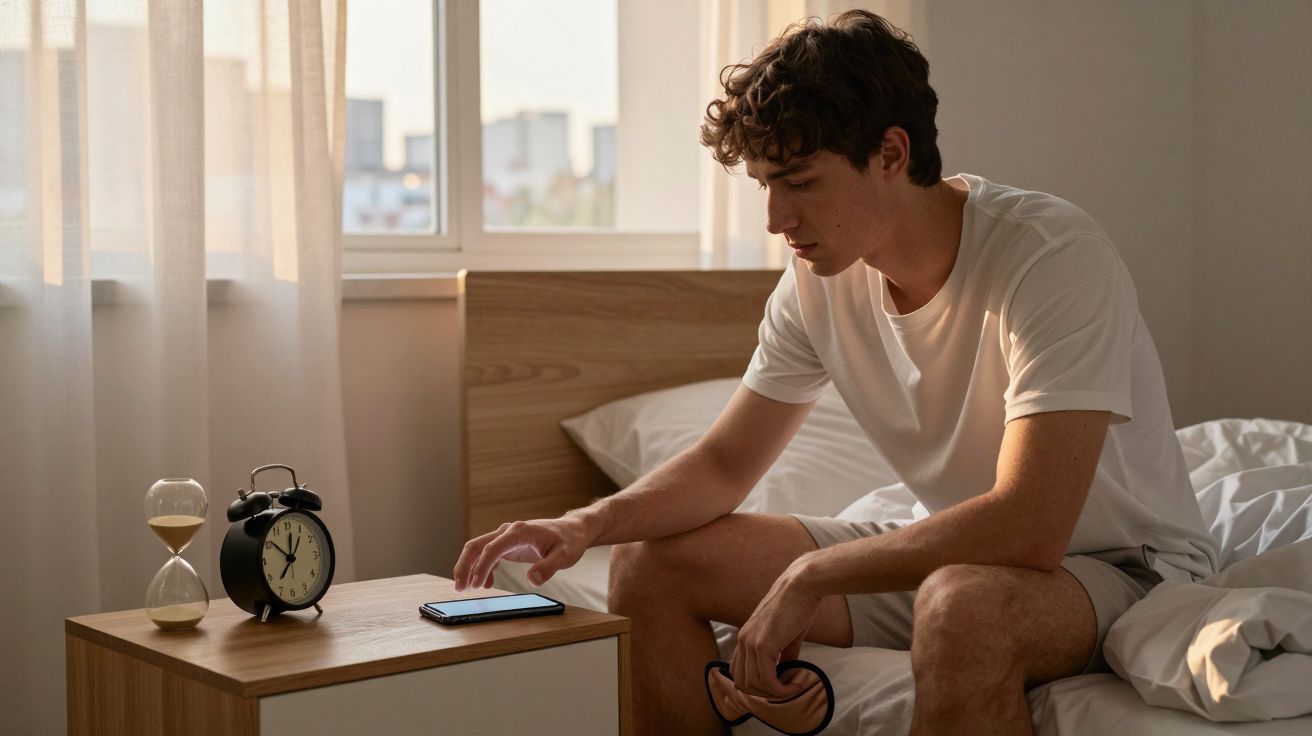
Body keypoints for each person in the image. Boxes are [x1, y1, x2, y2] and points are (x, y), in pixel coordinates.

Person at [453, 9, 1217, 735]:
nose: (775, 219)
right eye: (765, 185)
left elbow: (1029, 526)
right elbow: (723, 465)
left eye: (800, 181)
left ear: (891, 154)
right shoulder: (817, 285)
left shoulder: (1048, 258)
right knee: (650, 565)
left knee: (963, 608)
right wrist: (585, 524)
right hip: (959, 556)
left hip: (1121, 570)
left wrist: (812, 574)